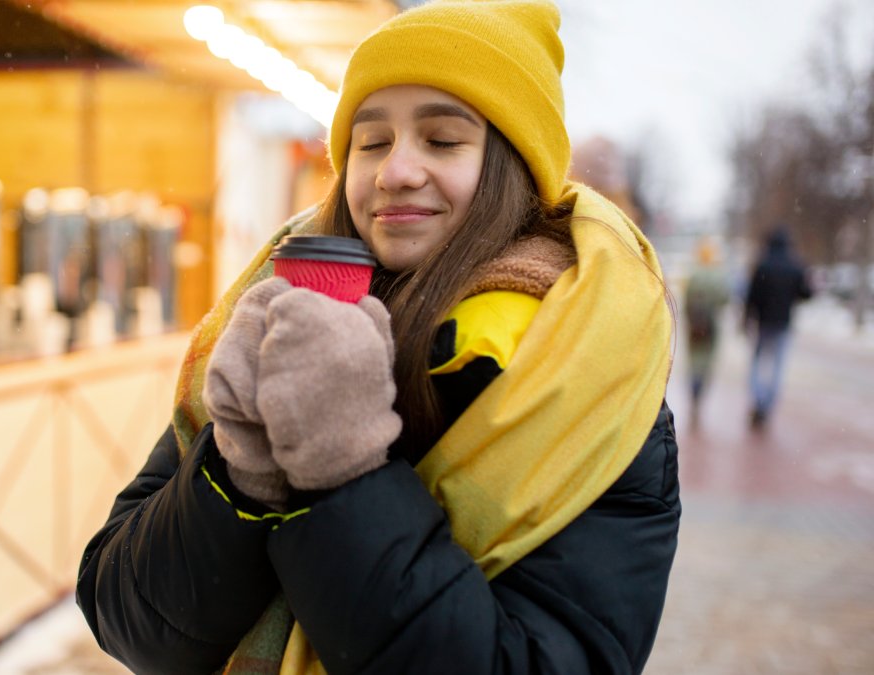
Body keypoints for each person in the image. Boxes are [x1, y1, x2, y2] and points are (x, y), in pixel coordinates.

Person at [76, 2, 679, 673]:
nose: (395, 170)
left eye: (443, 139)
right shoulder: (279, 322)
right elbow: (123, 614)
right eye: (372, 141)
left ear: (512, 167)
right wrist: (240, 470)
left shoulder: (594, 381)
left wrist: (344, 474)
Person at [743, 227, 812, 430]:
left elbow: (752, 296)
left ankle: (758, 398)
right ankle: (768, 403)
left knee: (757, 364)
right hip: (783, 324)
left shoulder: (762, 265)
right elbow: (806, 293)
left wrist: (747, 318)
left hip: (764, 324)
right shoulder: (795, 265)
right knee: (777, 367)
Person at [683, 236, 732, 429]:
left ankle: (693, 390)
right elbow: (725, 299)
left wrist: (691, 316)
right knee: (708, 361)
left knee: (694, 360)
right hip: (712, 326)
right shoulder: (718, 274)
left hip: (694, 325)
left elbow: (686, 300)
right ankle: (700, 390)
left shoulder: (693, 273)